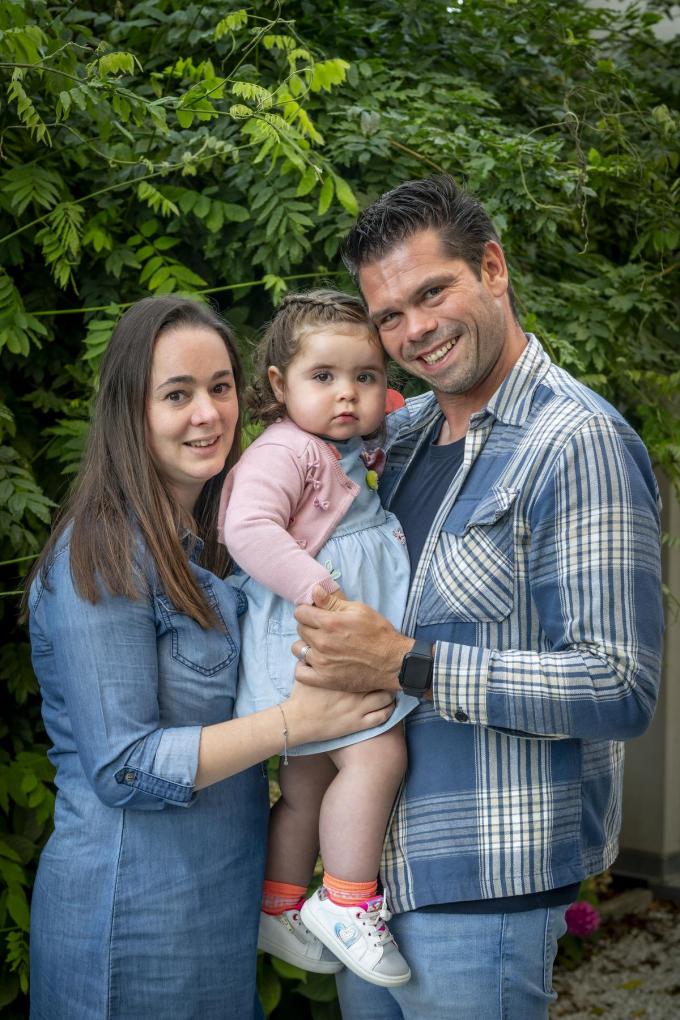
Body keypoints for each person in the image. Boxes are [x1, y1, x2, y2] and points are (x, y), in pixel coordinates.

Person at [292, 176, 664, 1019]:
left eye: (433, 292)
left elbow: (618, 686)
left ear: (491, 268)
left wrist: (406, 663)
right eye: (389, 315)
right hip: (369, 893)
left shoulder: (579, 442)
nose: (414, 329)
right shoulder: (406, 437)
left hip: (486, 884)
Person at [24, 295, 395, 1020]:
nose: (208, 414)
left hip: (217, 910)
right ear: (129, 411)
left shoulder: (212, 551)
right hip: (131, 917)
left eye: (221, 387)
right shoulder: (98, 555)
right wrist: (299, 722)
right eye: (177, 394)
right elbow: (123, 763)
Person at [219, 290, 417, 988]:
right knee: (377, 752)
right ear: (279, 385)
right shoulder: (285, 451)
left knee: (305, 779)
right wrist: (317, 588)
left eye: (365, 376)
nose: (347, 395)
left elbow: (390, 410)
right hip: (317, 637)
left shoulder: (343, 439)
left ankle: (278, 904)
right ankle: (346, 900)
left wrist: (381, 402)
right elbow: (245, 530)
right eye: (324, 377)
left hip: (312, 642)